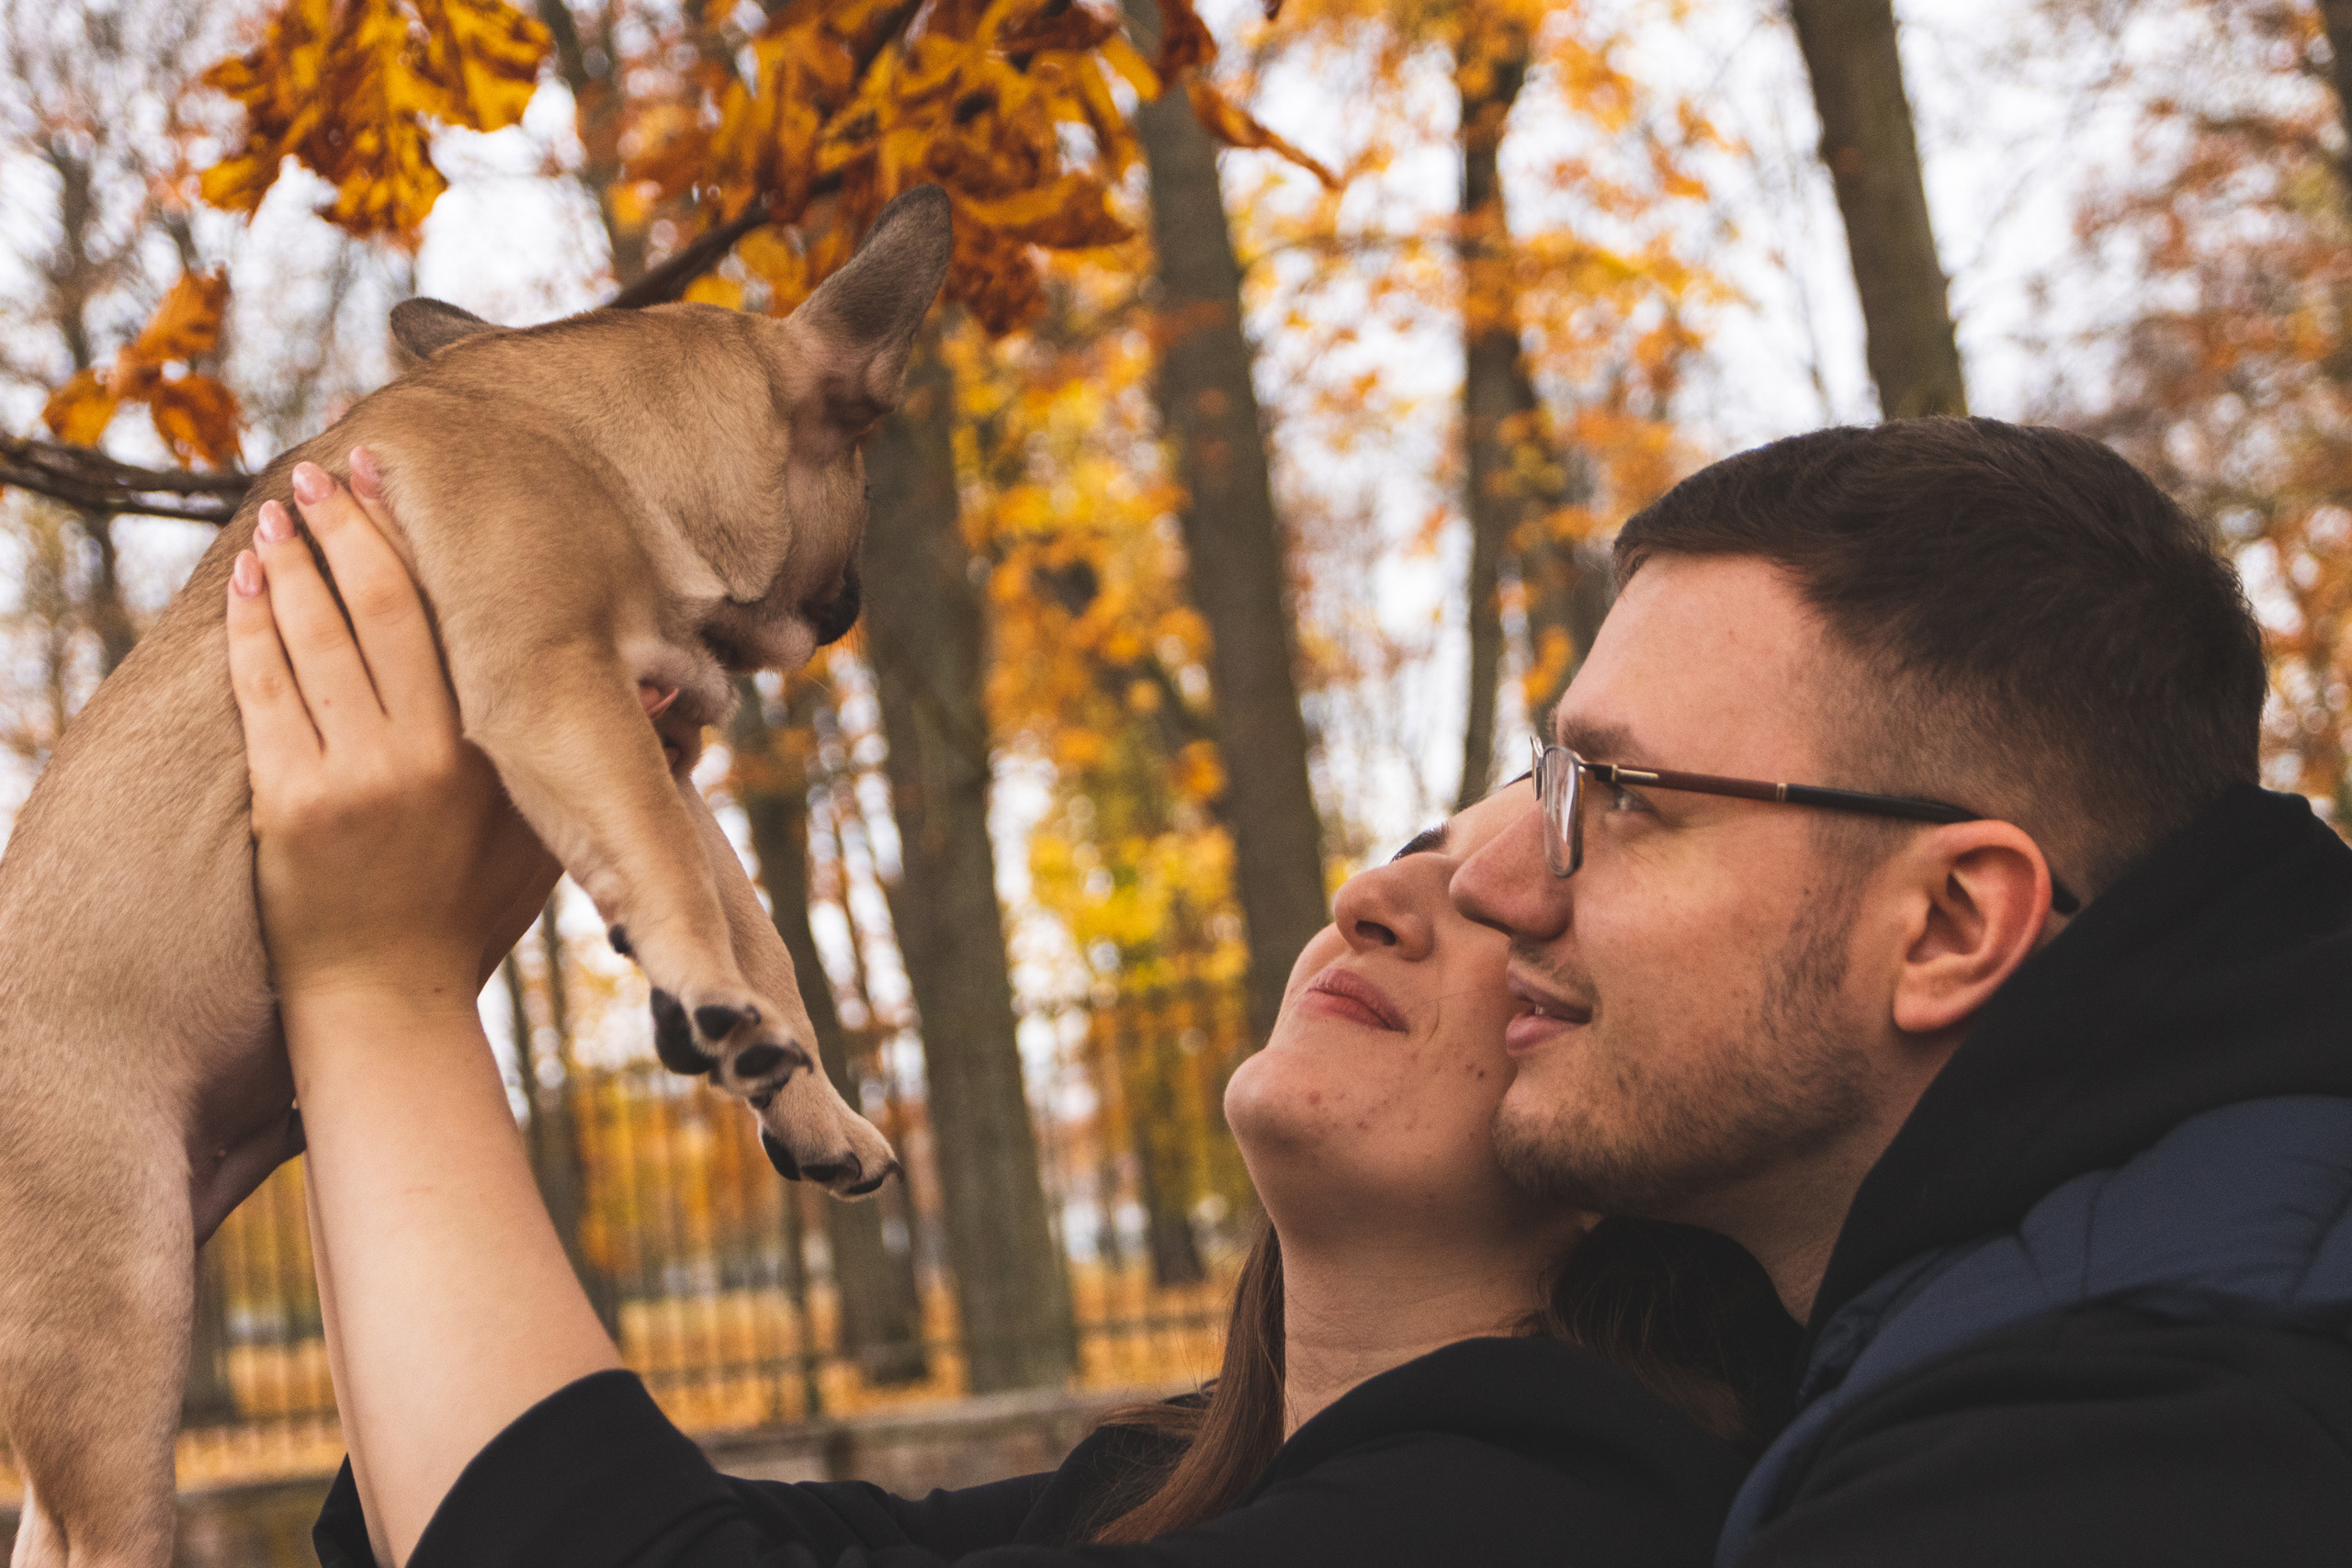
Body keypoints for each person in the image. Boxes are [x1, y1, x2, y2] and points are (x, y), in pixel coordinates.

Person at [224, 457, 1792, 1568]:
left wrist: (376, 983)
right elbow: (499, 1519)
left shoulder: (1551, 1515)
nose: (1374, 898)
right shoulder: (1160, 1478)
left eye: (1496, 915)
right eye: (1409, 851)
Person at [1452, 415, 2352, 1566]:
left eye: (1621, 796)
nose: (1491, 884)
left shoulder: (2094, 1463)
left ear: (1948, 928)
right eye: (1552, 777)